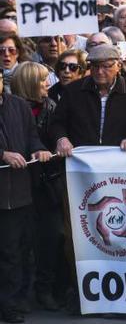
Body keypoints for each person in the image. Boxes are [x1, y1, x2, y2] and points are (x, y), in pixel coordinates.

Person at [0, 70, 53, 323]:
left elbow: (32, 137)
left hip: (22, 191)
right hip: (3, 195)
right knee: (8, 252)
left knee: (23, 248)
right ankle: (9, 305)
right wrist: (3, 155)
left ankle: (20, 299)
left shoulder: (18, 105)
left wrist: (39, 150)